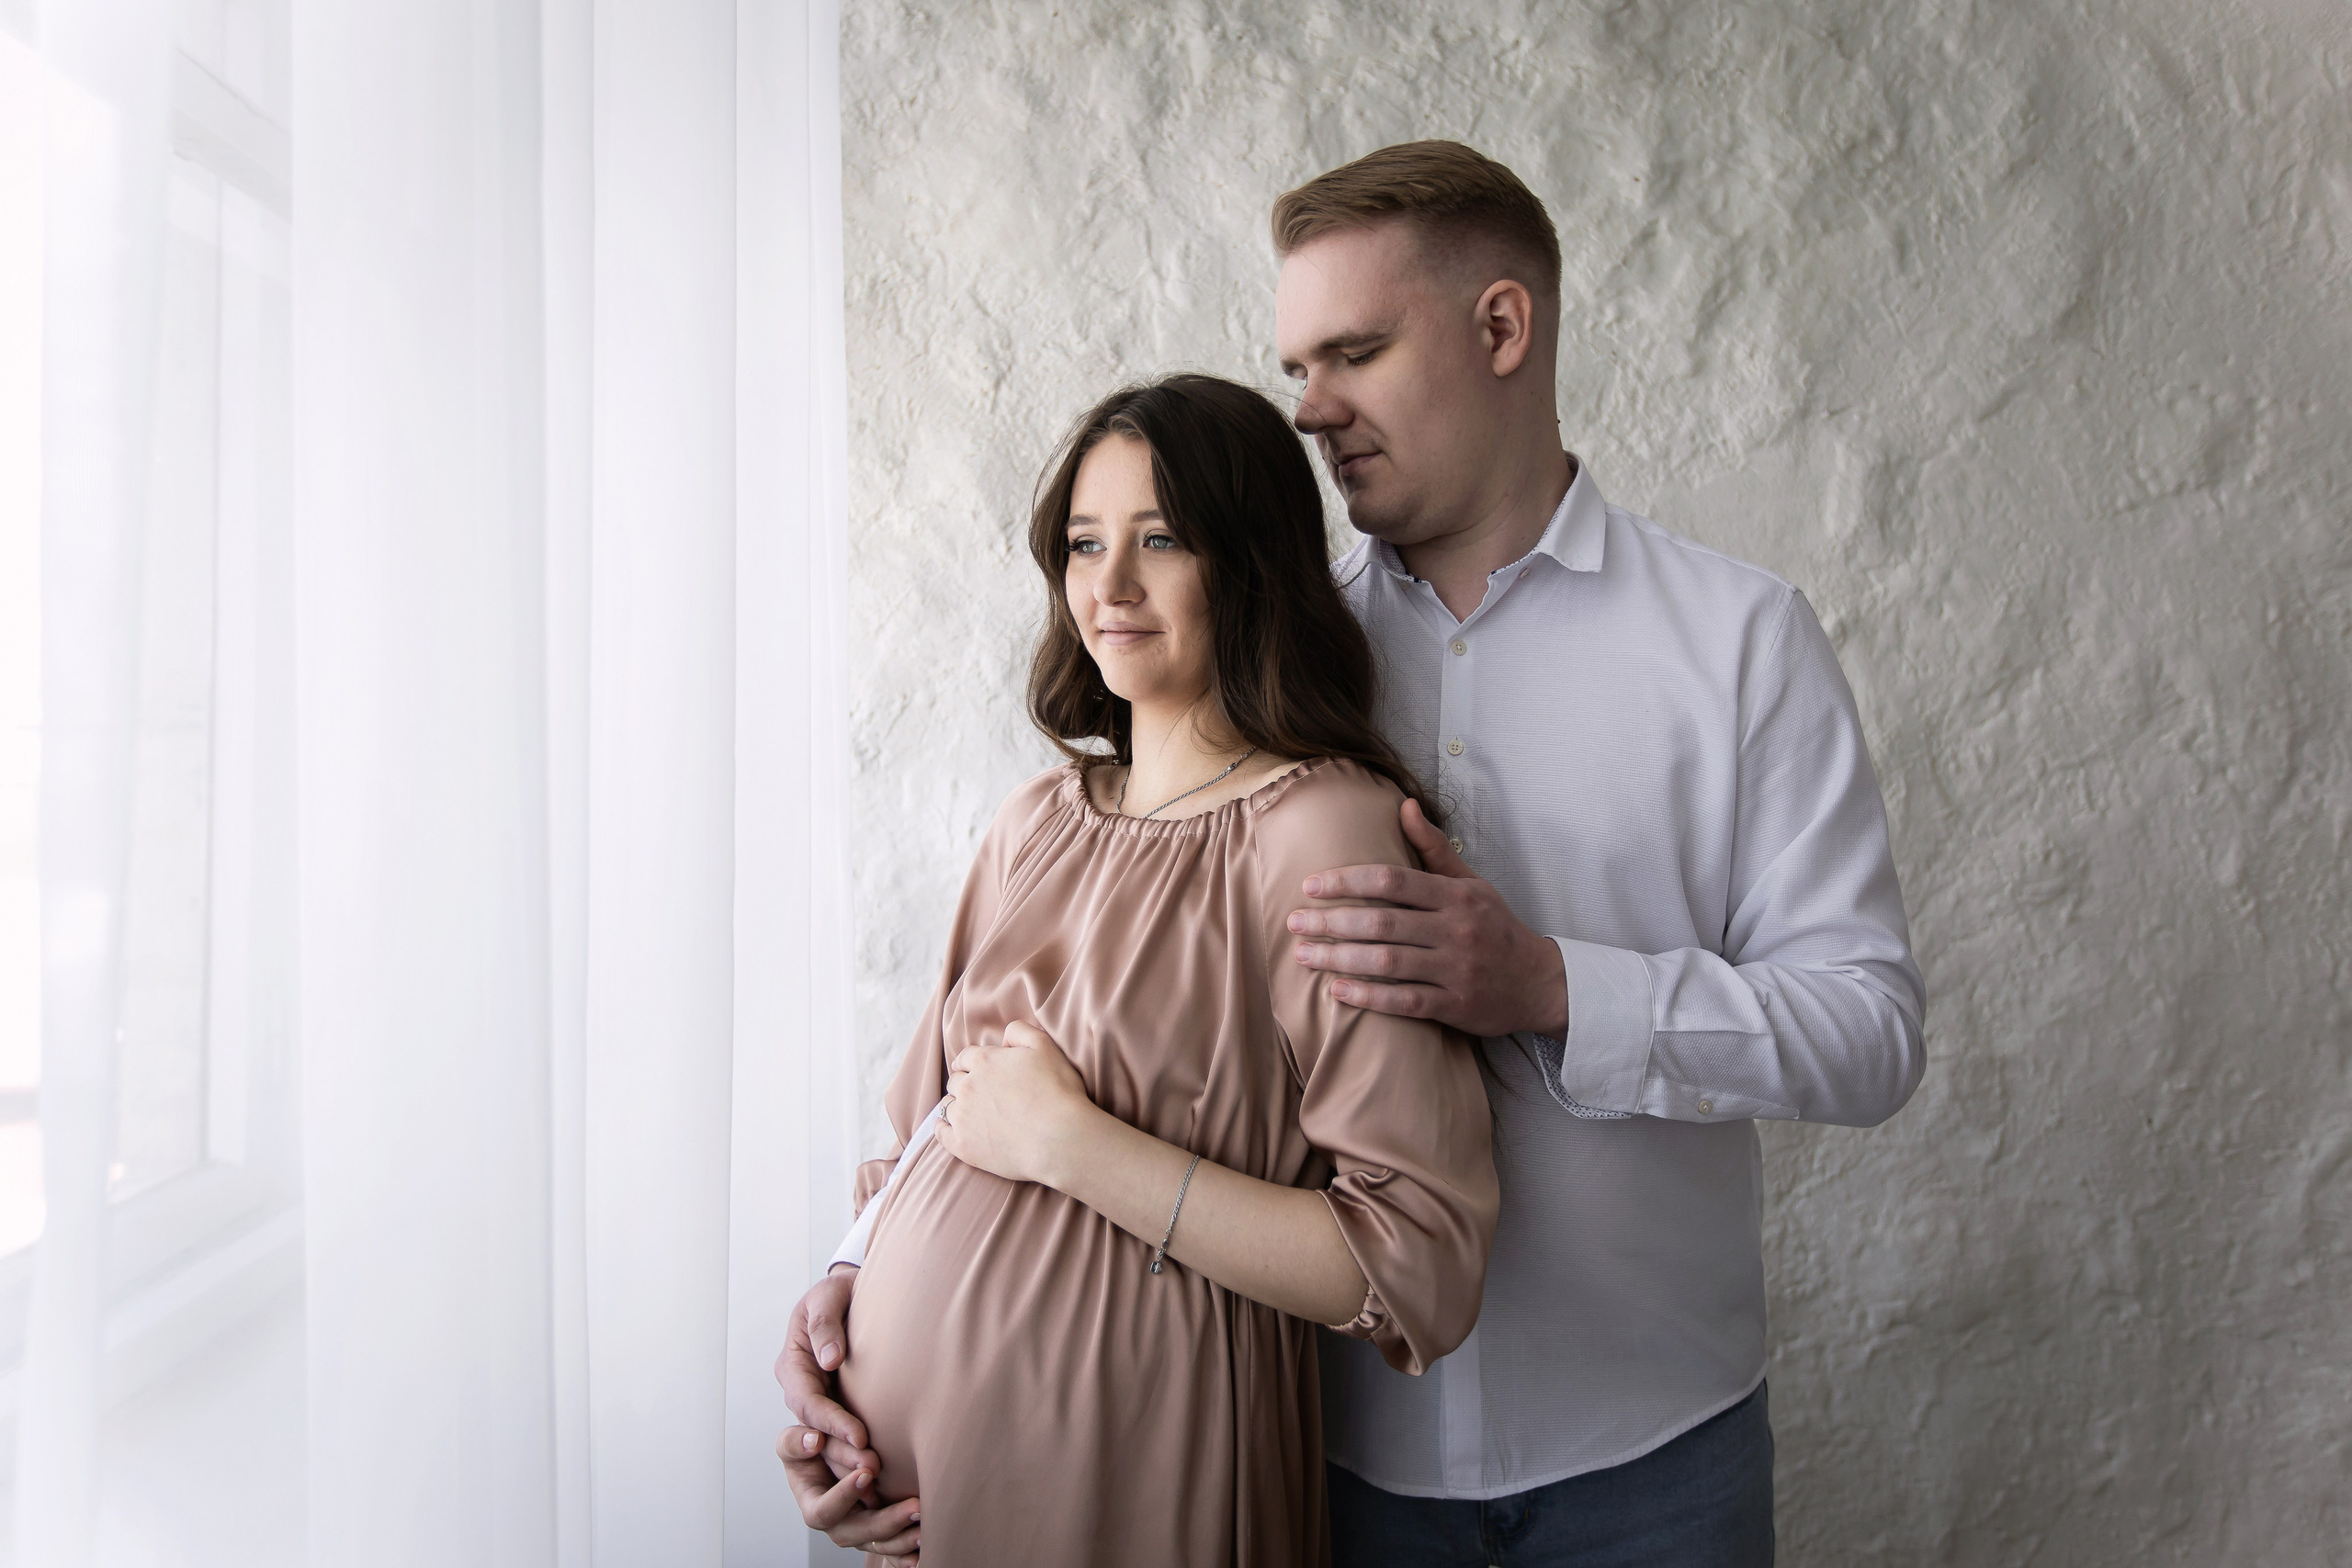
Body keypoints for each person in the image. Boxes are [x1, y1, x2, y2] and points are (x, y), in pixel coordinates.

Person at [783, 141, 1925, 1566]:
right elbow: (987, 1075)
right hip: (1334, 1463)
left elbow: (1871, 1032)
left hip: (1648, 1449)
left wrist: (1554, 987)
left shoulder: (1735, 641)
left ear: (1501, 328)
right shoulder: (1246, 657)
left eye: (1356, 354)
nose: (1312, 407)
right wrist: (862, 1309)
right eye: (1296, 367)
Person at [778, 373, 1500, 1564]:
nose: (1108, 585)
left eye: (1160, 540)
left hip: (1141, 1469)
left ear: (1250, 564)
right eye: (1083, 542)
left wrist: (1078, 1148)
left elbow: (1415, 1258)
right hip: (922, 1504)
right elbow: (927, 1141)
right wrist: (838, 1312)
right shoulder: (1035, 822)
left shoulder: (1320, 833)